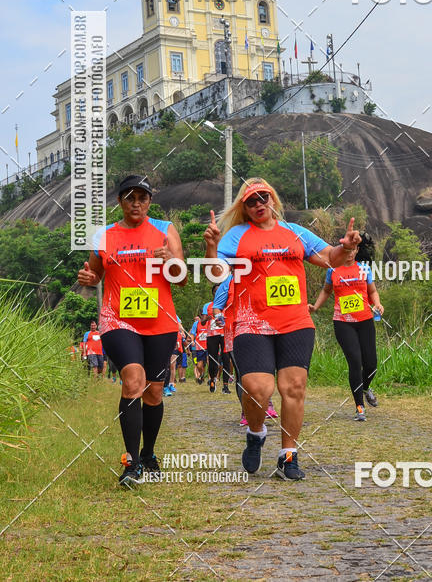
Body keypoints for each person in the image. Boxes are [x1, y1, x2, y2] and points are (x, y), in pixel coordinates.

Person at [205, 178, 362, 480]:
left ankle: (288, 456)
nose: (258, 203)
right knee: (257, 389)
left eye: (263, 197)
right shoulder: (236, 236)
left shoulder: (294, 233)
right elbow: (216, 275)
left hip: (294, 322)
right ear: (244, 207)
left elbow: (330, 258)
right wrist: (211, 247)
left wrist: (347, 246)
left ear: (273, 199)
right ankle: (255, 432)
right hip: (251, 321)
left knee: (294, 388)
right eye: (250, 201)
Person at [77, 174, 186, 487]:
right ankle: (131, 462)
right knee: (133, 379)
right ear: (119, 201)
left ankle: (148, 453)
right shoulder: (104, 236)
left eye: (142, 197)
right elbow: (94, 274)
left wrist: (172, 262)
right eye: (130, 198)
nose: (136, 203)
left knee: (153, 391)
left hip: (159, 320)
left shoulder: (165, 231)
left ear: (150, 201)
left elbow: (180, 279)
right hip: (117, 319)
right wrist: (89, 279)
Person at [310, 231, 382, 421]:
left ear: (357, 250)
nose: (349, 253)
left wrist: (378, 304)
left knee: (371, 365)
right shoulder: (332, 270)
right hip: (343, 323)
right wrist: (316, 307)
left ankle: (365, 388)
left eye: (353, 249)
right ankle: (359, 407)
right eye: (346, 250)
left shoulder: (364, 269)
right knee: (355, 362)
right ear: (343, 250)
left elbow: (372, 291)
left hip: (365, 320)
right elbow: (326, 291)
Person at [201, 287, 233, 394]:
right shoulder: (208, 305)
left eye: (219, 291)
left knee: (226, 358)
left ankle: (225, 386)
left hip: (225, 334)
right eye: (215, 291)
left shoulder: (227, 303)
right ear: (213, 293)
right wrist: (207, 318)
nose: (217, 293)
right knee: (213, 358)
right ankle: (213, 380)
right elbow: (202, 322)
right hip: (212, 335)